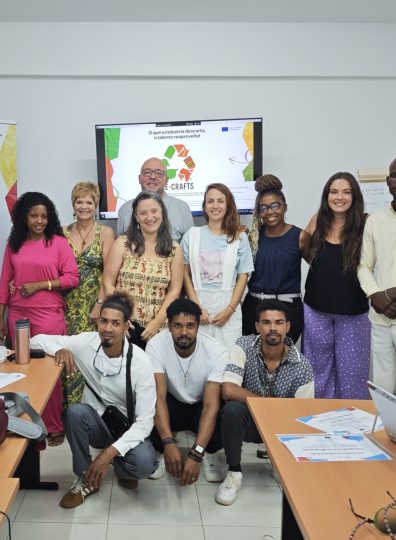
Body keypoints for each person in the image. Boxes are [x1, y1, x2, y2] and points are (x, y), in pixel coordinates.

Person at [31, 292, 157, 508]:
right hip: (96, 423)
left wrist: (107, 455)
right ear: (97, 321)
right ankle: (85, 477)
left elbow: (145, 422)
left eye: (115, 323)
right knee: (74, 412)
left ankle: (120, 464)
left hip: (127, 427)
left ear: (126, 326)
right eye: (104, 321)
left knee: (144, 464)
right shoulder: (85, 343)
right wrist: (59, 349)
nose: (107, 328)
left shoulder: (141, 362)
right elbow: (36, 340)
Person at [0, 191, 79, 446]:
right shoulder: (14, 244)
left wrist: (40, 285)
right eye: (34, 216)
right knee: (21, 370)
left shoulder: (58, 243)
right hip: (18, 315)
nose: (39, 221)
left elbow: (72, 277)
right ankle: (27, 423)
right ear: (24, 217)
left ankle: (53, 426)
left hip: (49, 315)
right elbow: (4, 282)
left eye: (44, 216)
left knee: (49, 372)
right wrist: (0, 317)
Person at [215, 299, 314, 506]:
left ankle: (281, 461)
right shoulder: (244, 345)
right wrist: (264, 403)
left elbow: (304, 415)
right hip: (251, 422)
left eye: (279, 322)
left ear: (288, 326)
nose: (273, 328)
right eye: (266, 322)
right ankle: (234, 472)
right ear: (257, 326)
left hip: (282, 426)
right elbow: (229, 389)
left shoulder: (302, 364)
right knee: (232, 410)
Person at [145, 298, 228, 485]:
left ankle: (207, 452)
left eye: (190, 325)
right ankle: (162, 450)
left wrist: (196, 453)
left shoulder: (217, 352)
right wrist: (167, 442)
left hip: (200, 405)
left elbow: (211, 405)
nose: (184, 332)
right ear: (169, 326)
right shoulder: (156, 345)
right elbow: (158, 397)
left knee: (225, 416)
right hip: (171, 402)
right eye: (177, 325)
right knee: (147, 405)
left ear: (198, 326)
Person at [303, 173, 369, 399]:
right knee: (317, 375)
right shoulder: (317, 221)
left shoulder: (365, 224)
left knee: (352, 377)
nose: (339, 197)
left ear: (354, 196)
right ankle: (321, 418)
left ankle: (352, 419)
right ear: (326, 196)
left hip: (353, 314)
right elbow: (306, 250)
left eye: (346, 192)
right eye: (334, 192)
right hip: (315, 311)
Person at [103, 191, 184, 349]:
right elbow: (108, 282)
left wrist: (156, 322)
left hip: (158, 330)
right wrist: (121, 315)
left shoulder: (174, 249)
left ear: (162, 213)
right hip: (125, 327)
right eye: (143, 213)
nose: (149, 217)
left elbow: (174, 291)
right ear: (136, 217)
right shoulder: (122, 243)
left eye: (154, 211)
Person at [181, 183, 253, 353]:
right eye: (210, 201)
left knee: (229, 359)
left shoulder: (240, 237)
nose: (215, 206)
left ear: (228, 205)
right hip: (199, 306)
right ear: (204, 206)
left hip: (228, 306)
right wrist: (197, 307)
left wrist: (230, 310)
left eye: (220, 201)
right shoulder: (192, 235)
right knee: (199, 357)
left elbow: (243, 276)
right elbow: (184, 273)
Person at [62, 182, 115, 405]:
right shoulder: (62, 232)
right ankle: (67, 410)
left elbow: (109, 272)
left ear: (96, 205)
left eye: (89, 202)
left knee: (90, 358)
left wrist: (100, 303)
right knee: (66, 357)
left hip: (93, 307)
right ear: (73, 205)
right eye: (79, 202)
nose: (84, 206)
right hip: (65, 307)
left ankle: (90, 412)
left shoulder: (106, 232)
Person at [243, 174, 310, 343]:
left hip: (287, 309)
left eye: (275, 206)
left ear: (285, 207)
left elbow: (318, 269)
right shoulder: (253, 237)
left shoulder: (300, 236)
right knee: (252, 357)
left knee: (282, 357)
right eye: (264, 208)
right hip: (254, 309)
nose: (270, 212)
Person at [358, 158, 396, 393]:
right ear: (388, 181)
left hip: (387, 303)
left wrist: (390, 294)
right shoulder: (375, 220)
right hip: (381, 318)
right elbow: (363, 265)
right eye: (395, 175)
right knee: (383, 390)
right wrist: (376, 295)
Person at [117, 157, 194, 242]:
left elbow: (191, 245)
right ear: (139, 178)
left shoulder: (182, 208)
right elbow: (121, 245)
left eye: (159, 173)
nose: (153, 177)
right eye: (147, 172)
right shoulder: (125, 209)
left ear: (166, 180)